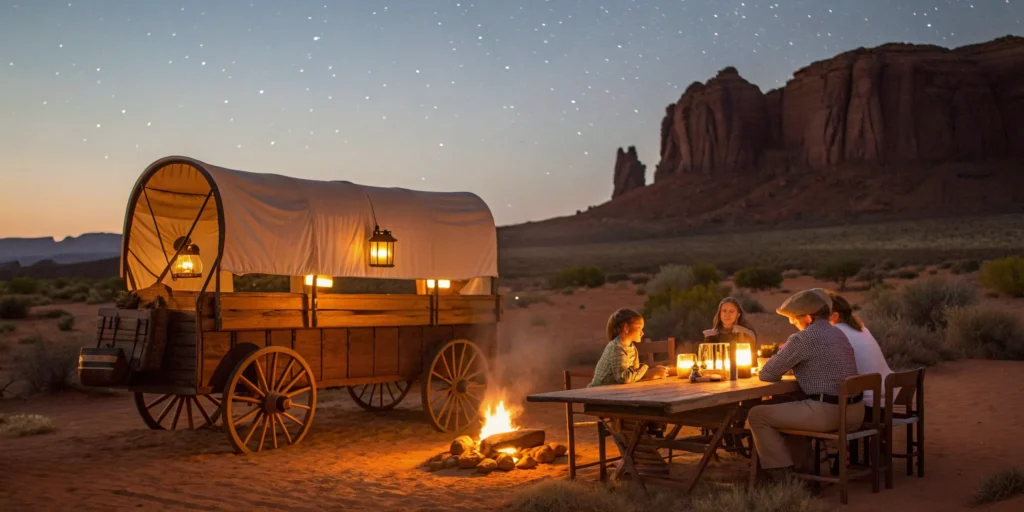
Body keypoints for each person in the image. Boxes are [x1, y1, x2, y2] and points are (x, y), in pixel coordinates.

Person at [746, 288, 864, 481]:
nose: (793, 324)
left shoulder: (803, 338)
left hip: (829, 414)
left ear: (808, 318)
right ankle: (804, 471)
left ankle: (783, 477)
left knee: (757, 415)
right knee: (788, 406)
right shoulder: (838, 334)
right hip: (855, 412)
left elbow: (768, 373)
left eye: (794, 320)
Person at [827, 291, 893, 414]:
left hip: (866, 403)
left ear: (834, 316)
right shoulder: (862, 329)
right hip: (886, 397)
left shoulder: (835, 332)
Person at [588, 308, 669, 387]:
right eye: (639, 328)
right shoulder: (617, 348)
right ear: (626, 328)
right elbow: (623, 378)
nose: (642, 333)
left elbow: (634, 373)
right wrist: (647, 373)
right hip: (599, 392)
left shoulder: (632, 348)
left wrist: (652, 371)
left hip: (615, 390)